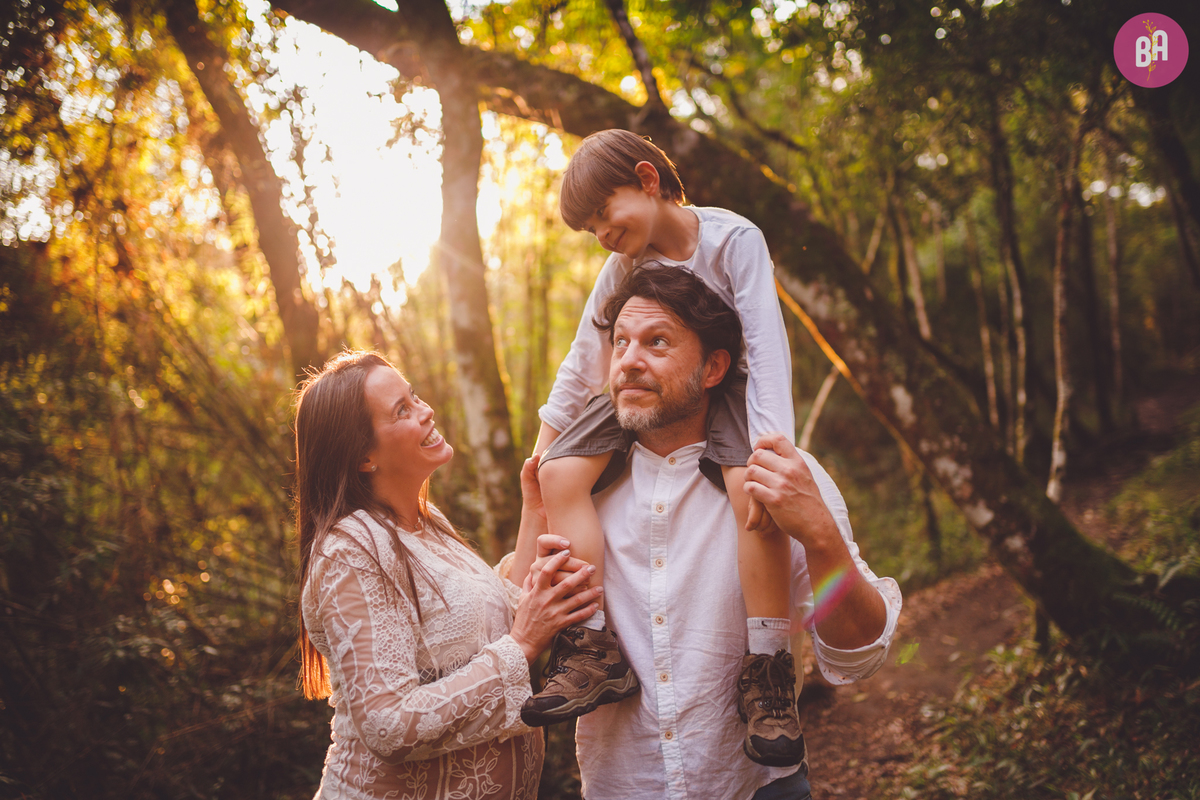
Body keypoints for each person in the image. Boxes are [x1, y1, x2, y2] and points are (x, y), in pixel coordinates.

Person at [512, 267, 902, 799]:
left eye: (657, 342)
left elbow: (858, 655)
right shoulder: (577, 489)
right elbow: (512, 622)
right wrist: (533, 518)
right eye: (621, 342)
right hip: (620, 787)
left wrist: (820, 537)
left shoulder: (783, 479)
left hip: (757, 786)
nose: (629, 360)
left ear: (714, 366)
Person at [525, 130, 803, 766]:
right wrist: (543, 452)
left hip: (721, 388)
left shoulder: (733, 241)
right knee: (562, 474)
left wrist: (770, 451)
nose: (601, 234)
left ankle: (768, 670)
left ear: (648, 180)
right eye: (590, 228)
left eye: (605, 214)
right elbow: (582, 361)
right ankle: (594, 647)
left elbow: (763, 350)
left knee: (748, 493)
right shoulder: (620, 267)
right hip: (639, 393)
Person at [294, 350, 604, 799]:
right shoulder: (352, 549)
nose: (426, 411)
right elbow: (389, 725)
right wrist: (524, 645)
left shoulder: (426, 523)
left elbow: (495, 619)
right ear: (364, 456)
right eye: (402, 410)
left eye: (414, 396)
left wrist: (533, 512)